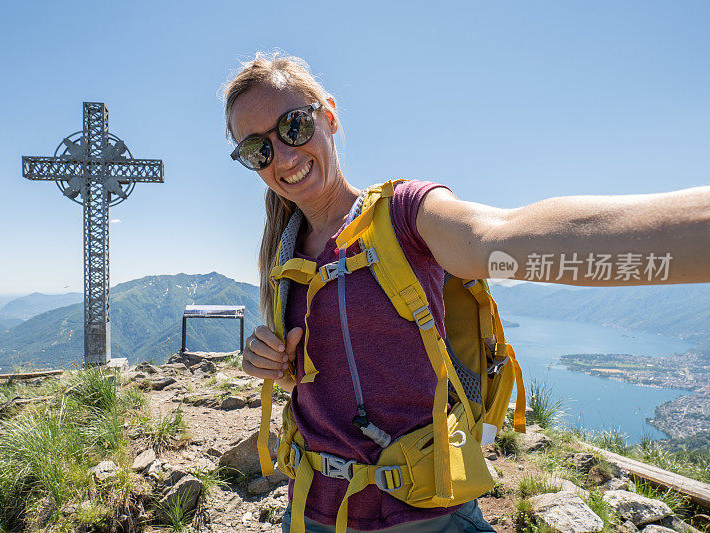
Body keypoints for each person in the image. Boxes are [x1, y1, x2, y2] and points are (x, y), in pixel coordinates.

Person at [222, 52, 710, 533]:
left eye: (293, 127)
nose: (282, 157)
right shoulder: (283, 254)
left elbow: (498, 236)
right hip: (309, 510)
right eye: (256, 150)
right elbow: (318, 385)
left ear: (327, 115)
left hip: (424, 511)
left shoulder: (404, 216)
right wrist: (272, 365)